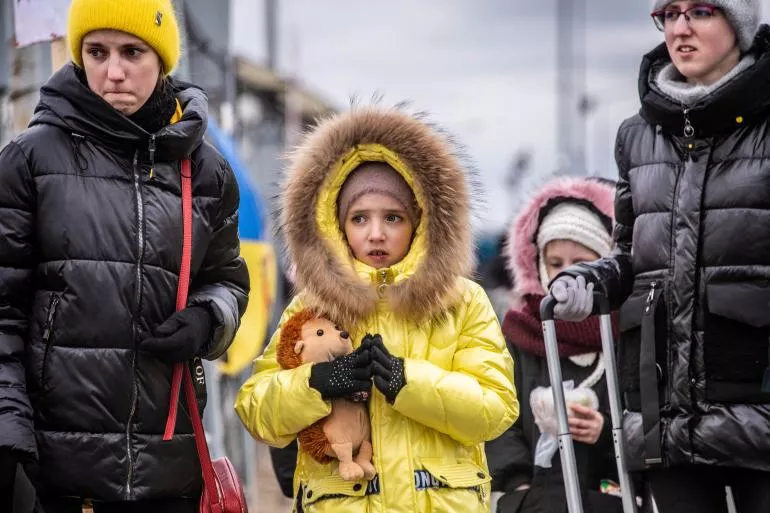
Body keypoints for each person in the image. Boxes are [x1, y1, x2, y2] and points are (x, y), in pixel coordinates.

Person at [0, 0, 250, 511]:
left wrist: (208, 318)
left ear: (162, 59)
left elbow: (228, 281)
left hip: (169, 470)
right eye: (97, 52)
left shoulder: (207, 172)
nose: (113, 72)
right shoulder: (28, 161)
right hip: (56, 476)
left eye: (132, 52)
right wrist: (8, 438)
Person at [235, 105, 519, 513]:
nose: (376, 234)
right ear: (336, 224)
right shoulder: (312, 307)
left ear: (420, 221)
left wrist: (409, 382)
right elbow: (256, 410)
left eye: (393, 217)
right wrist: (317, 382)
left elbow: (496, 408)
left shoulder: (463, 302)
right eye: (359, 218)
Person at [547, 1, 770, 512]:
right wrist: (592, 280)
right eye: (669, 13)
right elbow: (630, 253)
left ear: (738, 22)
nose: (680, 28)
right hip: (665, 413)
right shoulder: (636, 133)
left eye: (700, 11)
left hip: (758, 404)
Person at [486, 177, 623, 513]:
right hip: (534, 500)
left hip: (608, 497)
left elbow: (643, 414)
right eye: (556, 263)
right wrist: (518, 486)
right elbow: (500, 416)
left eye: (581, 263)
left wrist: (606, 431)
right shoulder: (521, 332)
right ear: (539, 266)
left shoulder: (624, 330)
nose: (566, 276)